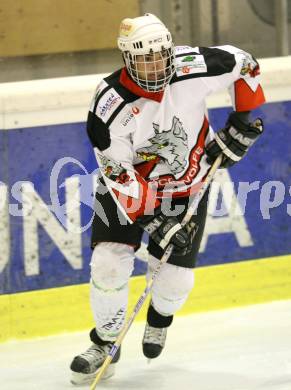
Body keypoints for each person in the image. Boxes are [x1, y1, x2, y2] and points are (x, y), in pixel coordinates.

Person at [70, 13, 265, 385]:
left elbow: (246, 63)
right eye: (144, 59)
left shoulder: (196, 66)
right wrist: (152, 218)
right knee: (108, 264)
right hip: (125, 190)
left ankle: (159, 320)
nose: (155, 65)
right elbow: (116, 171)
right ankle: (105, 343)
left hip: (186, 186)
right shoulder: (109, 102)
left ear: (170, 50)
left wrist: (241, 121)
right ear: (127, 58)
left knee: (175, 283)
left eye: (160, 55)